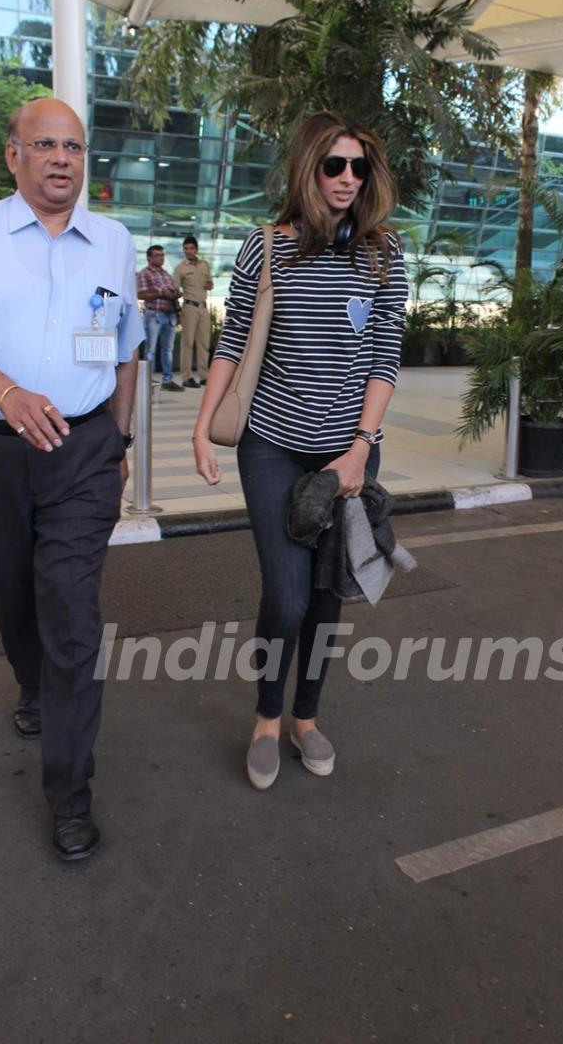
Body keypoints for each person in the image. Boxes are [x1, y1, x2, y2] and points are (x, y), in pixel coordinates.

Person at [192, 111, 408, 790]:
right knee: (285, 597)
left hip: (348, 452)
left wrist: (359, 450)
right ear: (308, 168)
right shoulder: (267, 247)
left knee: (326, 596)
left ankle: (305, 719)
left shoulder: (384, 254)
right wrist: (202, 429)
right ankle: (265, 715)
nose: (347, 179)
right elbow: (231, 345)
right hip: (272, 446)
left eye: (358, 167)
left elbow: (385, 357)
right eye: (333, 165)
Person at [0, 98, 143, 861]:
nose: (60, 158)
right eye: (43, 144)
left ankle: (69, 796)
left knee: (72, 615)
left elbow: (126, 347)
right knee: (15, 596)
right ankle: (32, 687)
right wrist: (7, 393)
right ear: (13, 156)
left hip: (82, 454)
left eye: (73, 146)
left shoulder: (112, 241)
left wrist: (121, 435)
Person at [137, 244, 183, 391]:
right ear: (149, 257)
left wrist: (178, 311)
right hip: (154, 314)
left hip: (169, 314)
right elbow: (141, 294)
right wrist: (161, 293)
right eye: (157, 255)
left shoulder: (166, 274)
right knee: (150, 349)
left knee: (168, 349)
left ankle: (167, 380)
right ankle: (147, 381)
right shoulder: (145, 274)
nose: (161, 258)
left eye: (162, 255)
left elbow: (172, 294)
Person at [173, 235, 213, 388]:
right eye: (185, 248)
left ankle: (204, 376)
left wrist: (209, 285)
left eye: (190, 248)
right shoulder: (180, 268)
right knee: (187, 343)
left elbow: (210, 283)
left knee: (204, 343)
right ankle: (186, 376)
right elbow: (175, 289)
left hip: (203, 306)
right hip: (189, 306)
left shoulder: (204, 265)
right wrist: (177, 310)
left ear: (196, 249)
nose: (188, 251)